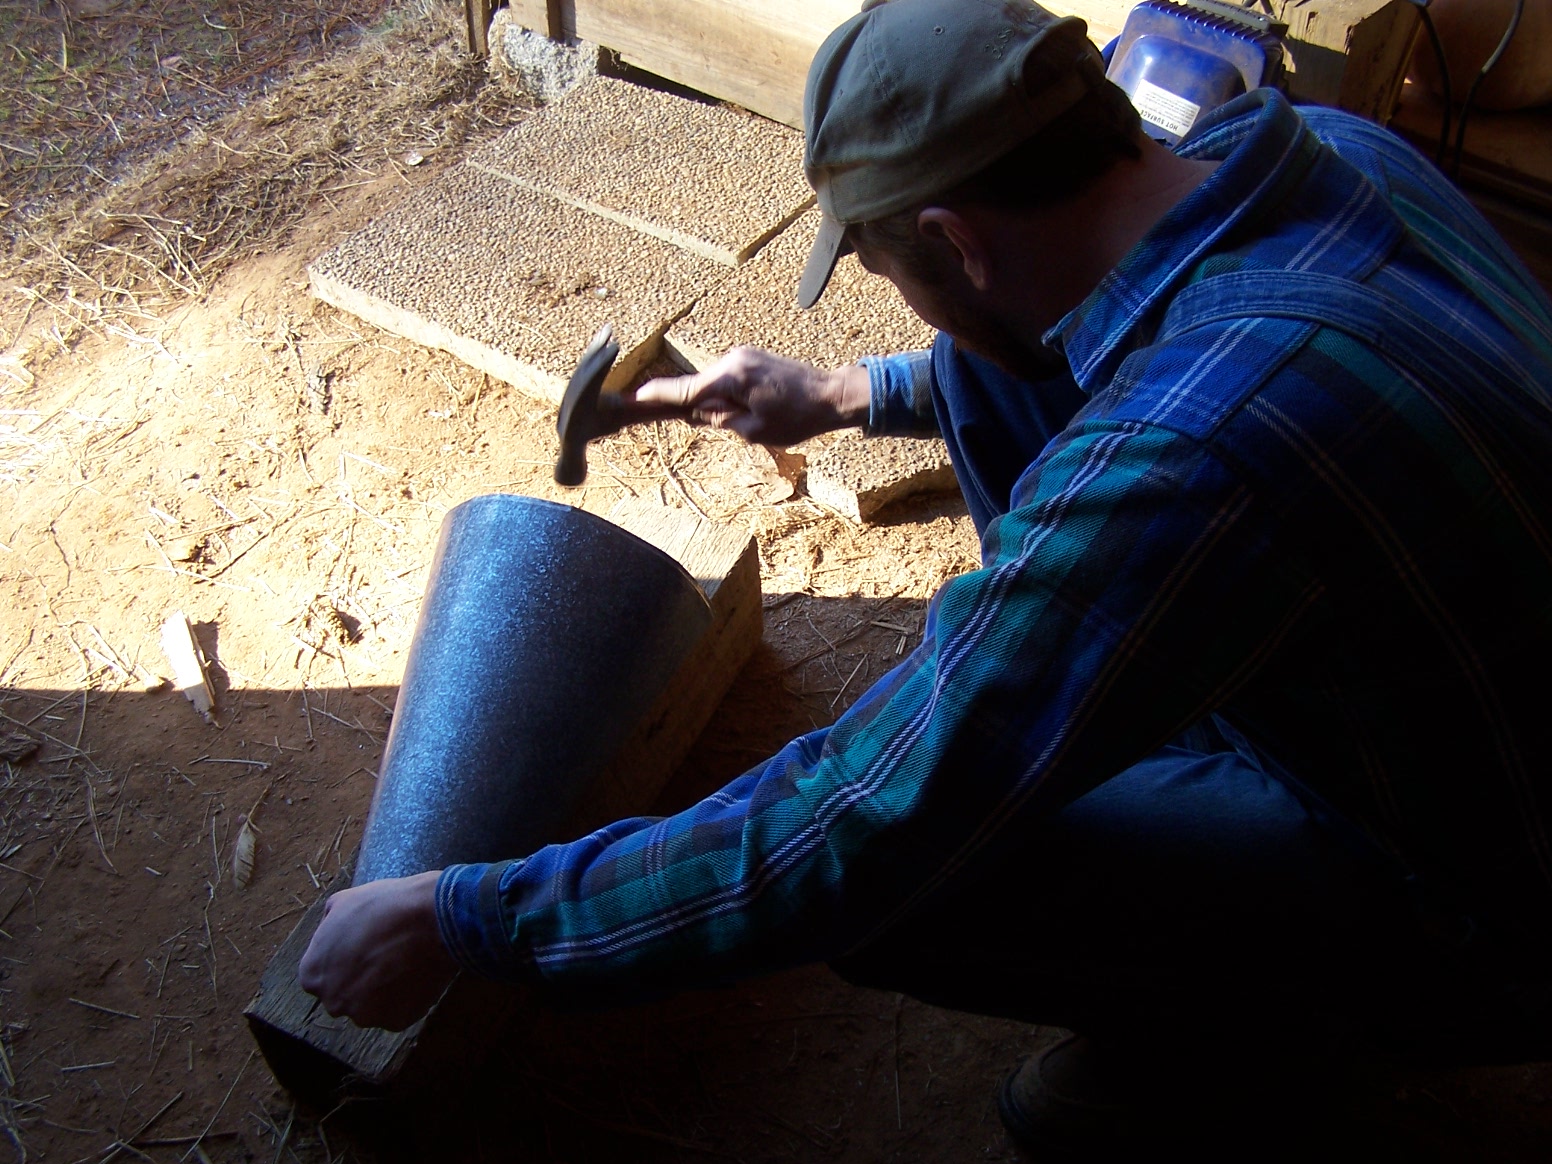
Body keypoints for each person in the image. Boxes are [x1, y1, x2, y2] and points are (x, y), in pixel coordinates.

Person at [300, 0, 1552, 1151]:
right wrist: (841, 392)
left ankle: (1256, 1045)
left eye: (895, 272)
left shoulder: (1200, 449)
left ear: (951, 237)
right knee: (1001, 374)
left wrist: (465, 915)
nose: (903, 302)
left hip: (1481, 902)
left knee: (904, 891)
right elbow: (1038, 348)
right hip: (1455, 699)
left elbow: (854, 824)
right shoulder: (1329, 152)